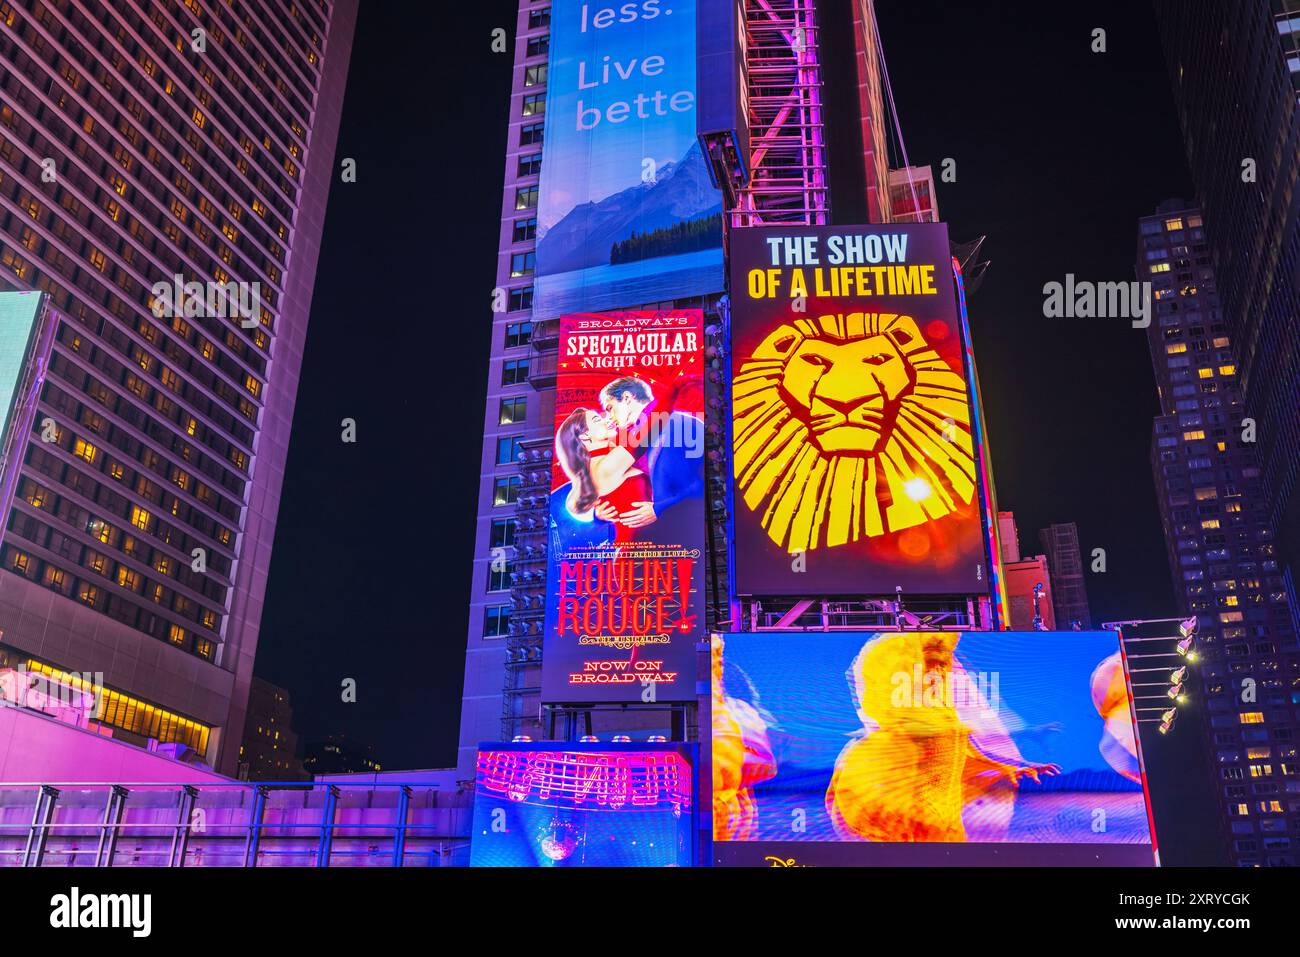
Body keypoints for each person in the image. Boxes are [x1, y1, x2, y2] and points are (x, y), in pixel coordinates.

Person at [827, 633, 1060, 842]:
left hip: (944, 827)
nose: (938, 672)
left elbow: (962, 758)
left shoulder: (947, 721)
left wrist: (1010, 768)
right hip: (914, 828)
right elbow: (865, 794)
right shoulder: (891, 736)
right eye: (931, 663)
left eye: (943, 664)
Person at [594, 376, 703, 540]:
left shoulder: (682, 424)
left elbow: (703, 484)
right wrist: (598, 514)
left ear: (627, 398)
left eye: (610, 408)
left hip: (687, 533)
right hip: (661, 537)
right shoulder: (632, 442)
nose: (609, 417)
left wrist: (660, 509)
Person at [553, 407, 651, 545]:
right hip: (644, 548)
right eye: (597, 420)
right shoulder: (607, 465)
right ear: (585, 436)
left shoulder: (599, 465)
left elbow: (573, 502)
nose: (606, 420)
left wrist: (594, 515)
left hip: (644, 547)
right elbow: (653, 426)